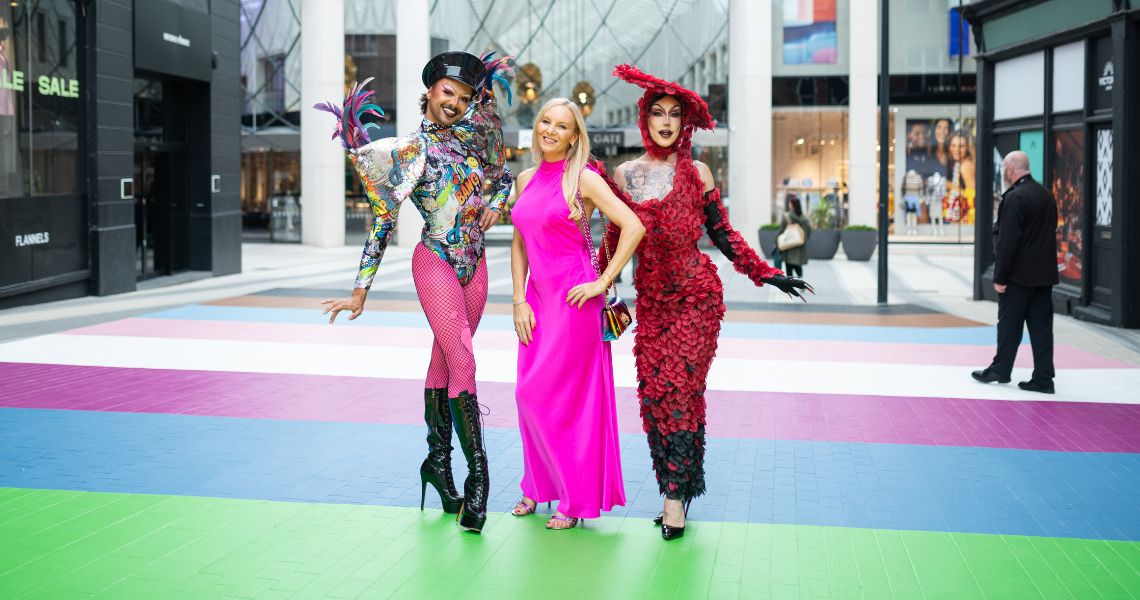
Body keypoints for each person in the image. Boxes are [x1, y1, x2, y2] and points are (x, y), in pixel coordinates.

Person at [601, 64, 814, 541]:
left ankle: (674, 500)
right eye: (657, 112)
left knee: (678, 391)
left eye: (675, 114)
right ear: (645, 119)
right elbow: (613, 240)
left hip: (697, 299)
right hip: (652, 306)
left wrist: (768, 273)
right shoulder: (625, 175)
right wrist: (596, 285)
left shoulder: (697, 173)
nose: (666, 121)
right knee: (655, 397)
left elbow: (722, 233)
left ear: (685, 123)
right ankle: (678, 483)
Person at [316, 51, 515, 533]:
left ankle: (437, 465)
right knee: (464, 360)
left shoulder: (475, 140)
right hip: (435, 261)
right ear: (429, 92)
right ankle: (480, 481)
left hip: (475, 265)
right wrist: (361, 289)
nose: (455, 103)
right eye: (448, 92)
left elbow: (503, 179)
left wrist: (497, 202)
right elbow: (383, 221)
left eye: (464, 97)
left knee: (445, 360)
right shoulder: (408, 151)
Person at [508, 98, 644, 530]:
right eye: (545, 121)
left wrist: (603, 281)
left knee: (567, 402)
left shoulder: (583, 178)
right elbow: (519, 242)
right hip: (536, 302)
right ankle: (537, 486)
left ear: (573, 137)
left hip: (575, 301)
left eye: (561, 126)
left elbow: (634, 226)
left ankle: (574, 498)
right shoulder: (525, 178)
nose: (550, 130)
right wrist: (518, 299)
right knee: (528, 394)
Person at [972, 151, 1058, 394]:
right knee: (1042, 329)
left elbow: (1008, 241)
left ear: (1010, 170)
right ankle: (1044, 378)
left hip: (1018, 277)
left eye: (1004, 170)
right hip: (1044, 277)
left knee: (1009, 326)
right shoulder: (1046, 194)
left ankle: (1000, 370)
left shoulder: (1014, 197)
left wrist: (999, 276)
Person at [776, 196, 811, 276]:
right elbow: (808, 231)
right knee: (798, 266)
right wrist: (804, 239)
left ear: (792, 205)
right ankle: (800, 280)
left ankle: (790, 281)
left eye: (790, 203)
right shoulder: (804, 218)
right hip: (799, 245)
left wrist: (776, 241)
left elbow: (781, 230)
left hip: (788, 245)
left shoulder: (787, 216)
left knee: (789, 267)